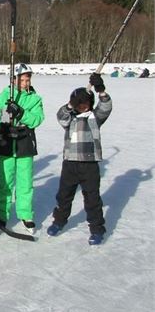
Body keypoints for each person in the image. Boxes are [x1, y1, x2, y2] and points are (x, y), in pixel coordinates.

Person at [47, 73, 112, 245]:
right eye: (79, 103)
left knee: (92, 199)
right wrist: (71, 104)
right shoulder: (70, 119)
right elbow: (61, 115)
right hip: (70, 164)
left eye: (86, 103)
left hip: (89, 166)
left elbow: (105, 107)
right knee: (64, 196)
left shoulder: (94, 117)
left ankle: (97, 229)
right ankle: (59, 221)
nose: (83, 106)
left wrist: (101, 91)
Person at [0, 63, 45, 231]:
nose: (25, 83)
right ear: (13, 80)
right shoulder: (2, 97)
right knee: (5, 182)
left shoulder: (35, 99)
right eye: (22, 80)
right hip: (5, 143)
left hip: (24, 143)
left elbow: (37, 119)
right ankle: (2, 214)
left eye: (27, 80)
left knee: (25, 182)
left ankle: (26, 214)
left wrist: (21, 113)